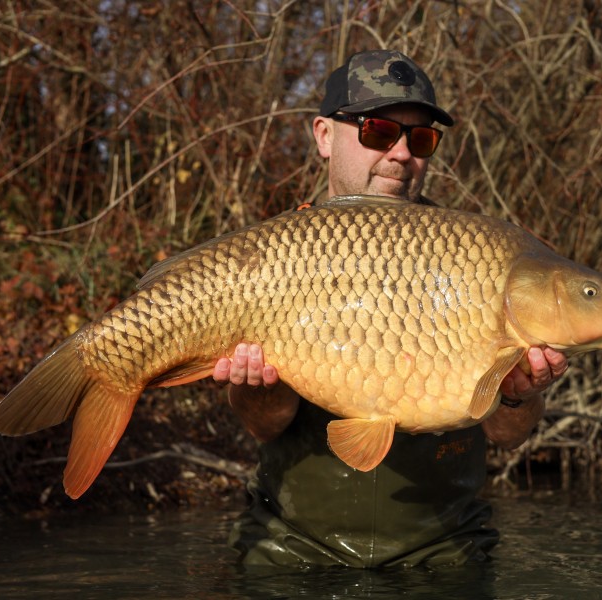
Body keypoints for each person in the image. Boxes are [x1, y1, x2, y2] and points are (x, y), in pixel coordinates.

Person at [213, 49, 568, 568]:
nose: (402, 154)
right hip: (293, 555)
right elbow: (267, 428)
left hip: (443, 556)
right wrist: (256, 393)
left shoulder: (482, 256)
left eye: (420, 138)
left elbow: (506, 437)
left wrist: (521, 396)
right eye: (378, 131)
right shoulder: (271, 258)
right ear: (324, 136)